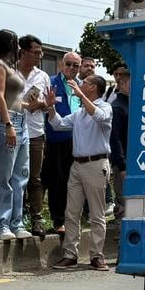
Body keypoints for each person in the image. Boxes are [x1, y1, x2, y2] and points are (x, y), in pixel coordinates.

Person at [46, 75, 113, 271]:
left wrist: (80, 94)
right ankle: (70, 254)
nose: (80, 84)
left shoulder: (104, 107)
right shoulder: (80, 112)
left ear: (93, 88)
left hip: (96, 163)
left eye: (84, 83)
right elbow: (58, 124)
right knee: (71, 212)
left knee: (96, 213)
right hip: (77, 165)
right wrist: (51, 107)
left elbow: (100, 117)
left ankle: (97, 256)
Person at [0, 29, 31, 240]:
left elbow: (15, 98)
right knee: (2, 175)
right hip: (6, 121)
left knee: (20, 175)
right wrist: (8, 124)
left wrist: (35, 104)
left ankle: (16, 222)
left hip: (21, 121)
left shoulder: (10, 66)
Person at [44, 52, 81, 234]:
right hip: (57, 139)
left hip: (79, 141)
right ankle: (58, 220)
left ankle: (74, 219)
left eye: (76, 65)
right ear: (61, 64)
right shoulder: (51, 82)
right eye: (69, 64)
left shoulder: (82, 86)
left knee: (75, 182)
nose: (72, 68)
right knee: (57, 181)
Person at [17, 34, 51, 236]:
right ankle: (17, 218)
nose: (39, 56)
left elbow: (48, 105)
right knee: (14, 177)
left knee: (35, 178)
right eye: (36, 52)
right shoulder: (10, 71)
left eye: (41, 52)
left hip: (36, 132)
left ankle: (37, 219)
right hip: (14, 129)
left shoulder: (43, 76)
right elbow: (3, 99)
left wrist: (43, 104)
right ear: (23, 52)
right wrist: (25, 105)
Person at [108, 65, 130, 221]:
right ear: (121, 84)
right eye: (130, 83)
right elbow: (114, 138)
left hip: (136, 161)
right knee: (123, 200)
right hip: (122, 163)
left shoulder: (136, 105)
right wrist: (121, 165)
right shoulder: (116, 107)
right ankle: (120, 232)